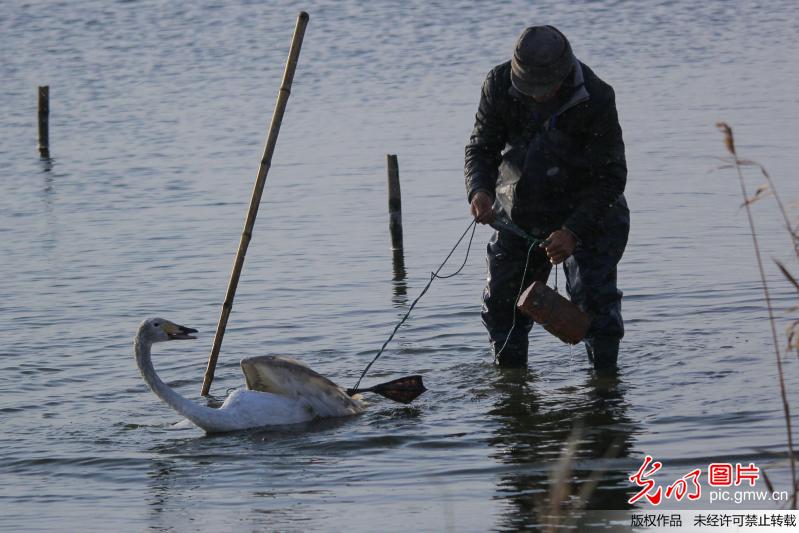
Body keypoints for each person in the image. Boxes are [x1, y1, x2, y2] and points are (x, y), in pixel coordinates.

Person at [465, 25, 630, 373]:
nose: (537, 96)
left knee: (595, 306)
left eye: (544, 89)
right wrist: (478, 190)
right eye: (529, 89)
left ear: (564, 73)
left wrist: (572, 231)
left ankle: (604, 396)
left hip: (590, 216)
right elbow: (481, 148)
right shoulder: (498, 84)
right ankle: (512, 386)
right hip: (519, 215)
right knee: (501, 305)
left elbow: (611, 178)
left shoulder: (596, 97)